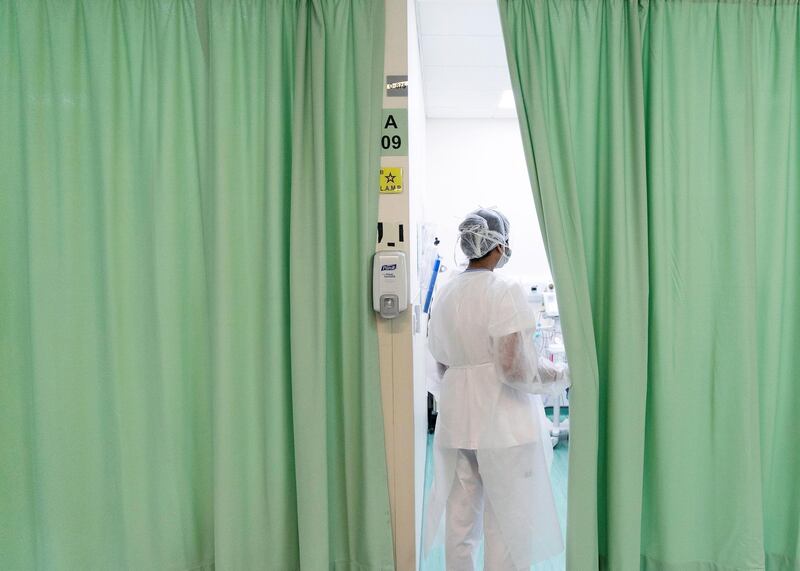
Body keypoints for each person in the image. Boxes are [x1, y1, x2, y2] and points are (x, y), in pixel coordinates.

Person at [424, 208, 568, 570]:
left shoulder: (445, 293)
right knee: (506, 522)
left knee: (459, 520)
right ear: (498, 245)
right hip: (503, 425)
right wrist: (564, 374)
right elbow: (515, 367)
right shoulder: (504, 291)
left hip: (457, 422)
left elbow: (440, 362)